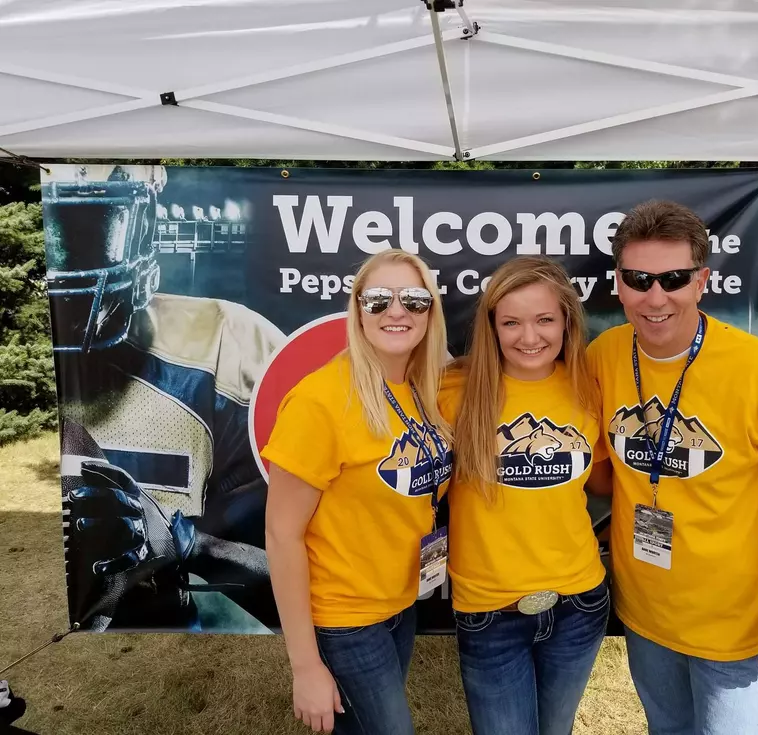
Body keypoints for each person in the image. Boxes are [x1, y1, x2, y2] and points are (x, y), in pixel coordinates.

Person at [585, 200, 758, 735]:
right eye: (638, 279)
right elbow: (600, 469)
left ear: (701, 281)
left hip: (736, 625)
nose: (655, 297)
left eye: (674, 278)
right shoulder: (604, 355)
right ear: (619, 283)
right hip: (645, 611)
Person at [43, 164, 286, 632]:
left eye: (90, 217)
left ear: (143, 222)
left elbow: (289, 549)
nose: (66, 241)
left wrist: (184, 541)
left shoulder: (225, 340)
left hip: (193, 610)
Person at [261, 250, 454, 735]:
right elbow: (281, 535)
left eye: (414, 299)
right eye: (378, 299)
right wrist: (305, 667)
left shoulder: (422, 390)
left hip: (401, 603)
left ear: (431, 312)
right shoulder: (321, 401)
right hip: (345, 618)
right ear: (357, 308)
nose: (397, 311)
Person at [441, 255, 610, 735]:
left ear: (566, 322)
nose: (529, 337)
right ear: (491, 325)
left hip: (579, 602)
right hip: (489, 612)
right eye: (511, 322)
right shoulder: (453, 390)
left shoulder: (588, 388)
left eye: (544, 320)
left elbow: (602, 482)